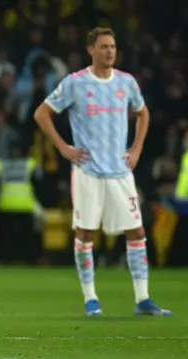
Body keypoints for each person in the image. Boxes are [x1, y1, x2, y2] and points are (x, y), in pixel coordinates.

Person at [34, 27, 171, 316]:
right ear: (90, 50)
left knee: (137, 231)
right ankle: (90, 298)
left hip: (120, 172)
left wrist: (136, 149)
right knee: (86, 233)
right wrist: (63, 147)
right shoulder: (75, 83)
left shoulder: (126, 82)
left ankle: (143, 299)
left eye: (113, 46)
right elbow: (41, 113)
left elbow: (143, 113)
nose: (110, 51)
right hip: (88, 172)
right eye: (104, 46)